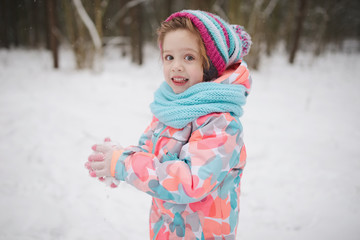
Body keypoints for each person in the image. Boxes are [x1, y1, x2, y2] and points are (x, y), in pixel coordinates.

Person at [85, 9, 252, 240]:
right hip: (165, 231)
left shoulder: (221, 124)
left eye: (189, 57)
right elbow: (148, 153)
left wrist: (126, 165)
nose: (176, 66)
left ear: (210, 65)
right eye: (169, 57)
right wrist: (119, 158)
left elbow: (190, 183)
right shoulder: (170, 107)